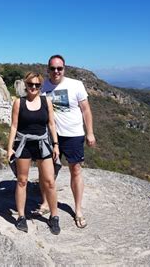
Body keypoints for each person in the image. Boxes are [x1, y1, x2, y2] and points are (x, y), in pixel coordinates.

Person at [37, 54, 96, 229]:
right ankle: (46, 202)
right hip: (50, 135)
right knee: (48, 171)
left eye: (59, 68)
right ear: (48, 69)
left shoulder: (76, 85)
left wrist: (90, 133)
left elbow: (86, 110)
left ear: (64, 69)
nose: (56, 71)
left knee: (75, 170)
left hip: (73, 135)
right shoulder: (42, 86)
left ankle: (78, 210)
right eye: (53, 68)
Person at [7, 72, 61, 235]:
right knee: (22, 181)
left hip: (43, 144)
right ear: (26, 85)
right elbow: (14, 126)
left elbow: (51, 124)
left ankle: (54, 216)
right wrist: (10, 147)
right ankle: (21, 216)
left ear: (41, 86)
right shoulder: (19, 103)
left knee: (49, 182)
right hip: (24, 144)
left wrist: (56, 144)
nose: (34, 88)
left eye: (37, 85)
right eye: (31, 84)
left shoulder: (47, 102)